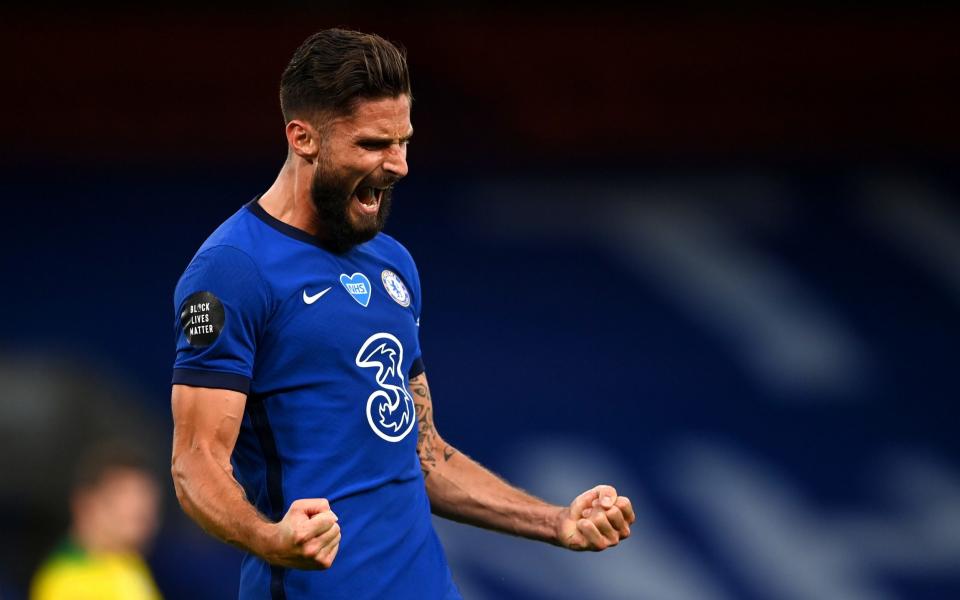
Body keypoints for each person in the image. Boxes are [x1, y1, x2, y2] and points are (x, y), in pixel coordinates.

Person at [170, 28, 635, 600]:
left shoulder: (393, 264)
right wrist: (268, 537)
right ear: (303, 138)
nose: (399, 165)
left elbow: (425, 453)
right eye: (372, 145)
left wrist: (555, 521)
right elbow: (195, 463)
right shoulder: (234, 270)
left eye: (404, 141)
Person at [30, 443, 162, 600]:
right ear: (86, 505)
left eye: (147, 501)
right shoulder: (66, 582)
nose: (144, 513)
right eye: (124, 495)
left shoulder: (128, 563)